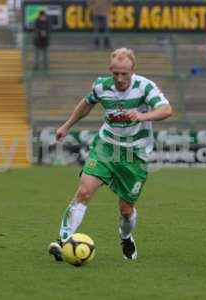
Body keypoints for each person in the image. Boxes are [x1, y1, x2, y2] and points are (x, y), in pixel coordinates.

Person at [48, 48, 172, 260]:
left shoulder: (145, 87)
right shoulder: (101, 86)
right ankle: (63, 241)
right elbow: (87, 104)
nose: (120, 78)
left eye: (124, 73)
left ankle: (125, 237)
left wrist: (143, 116)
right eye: (116, 73)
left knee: (126, 210)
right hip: (106, 146)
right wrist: (67, 125)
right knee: (84, 191)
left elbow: (166, 110)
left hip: (135, 155)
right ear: (110, 70)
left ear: (133, 70)